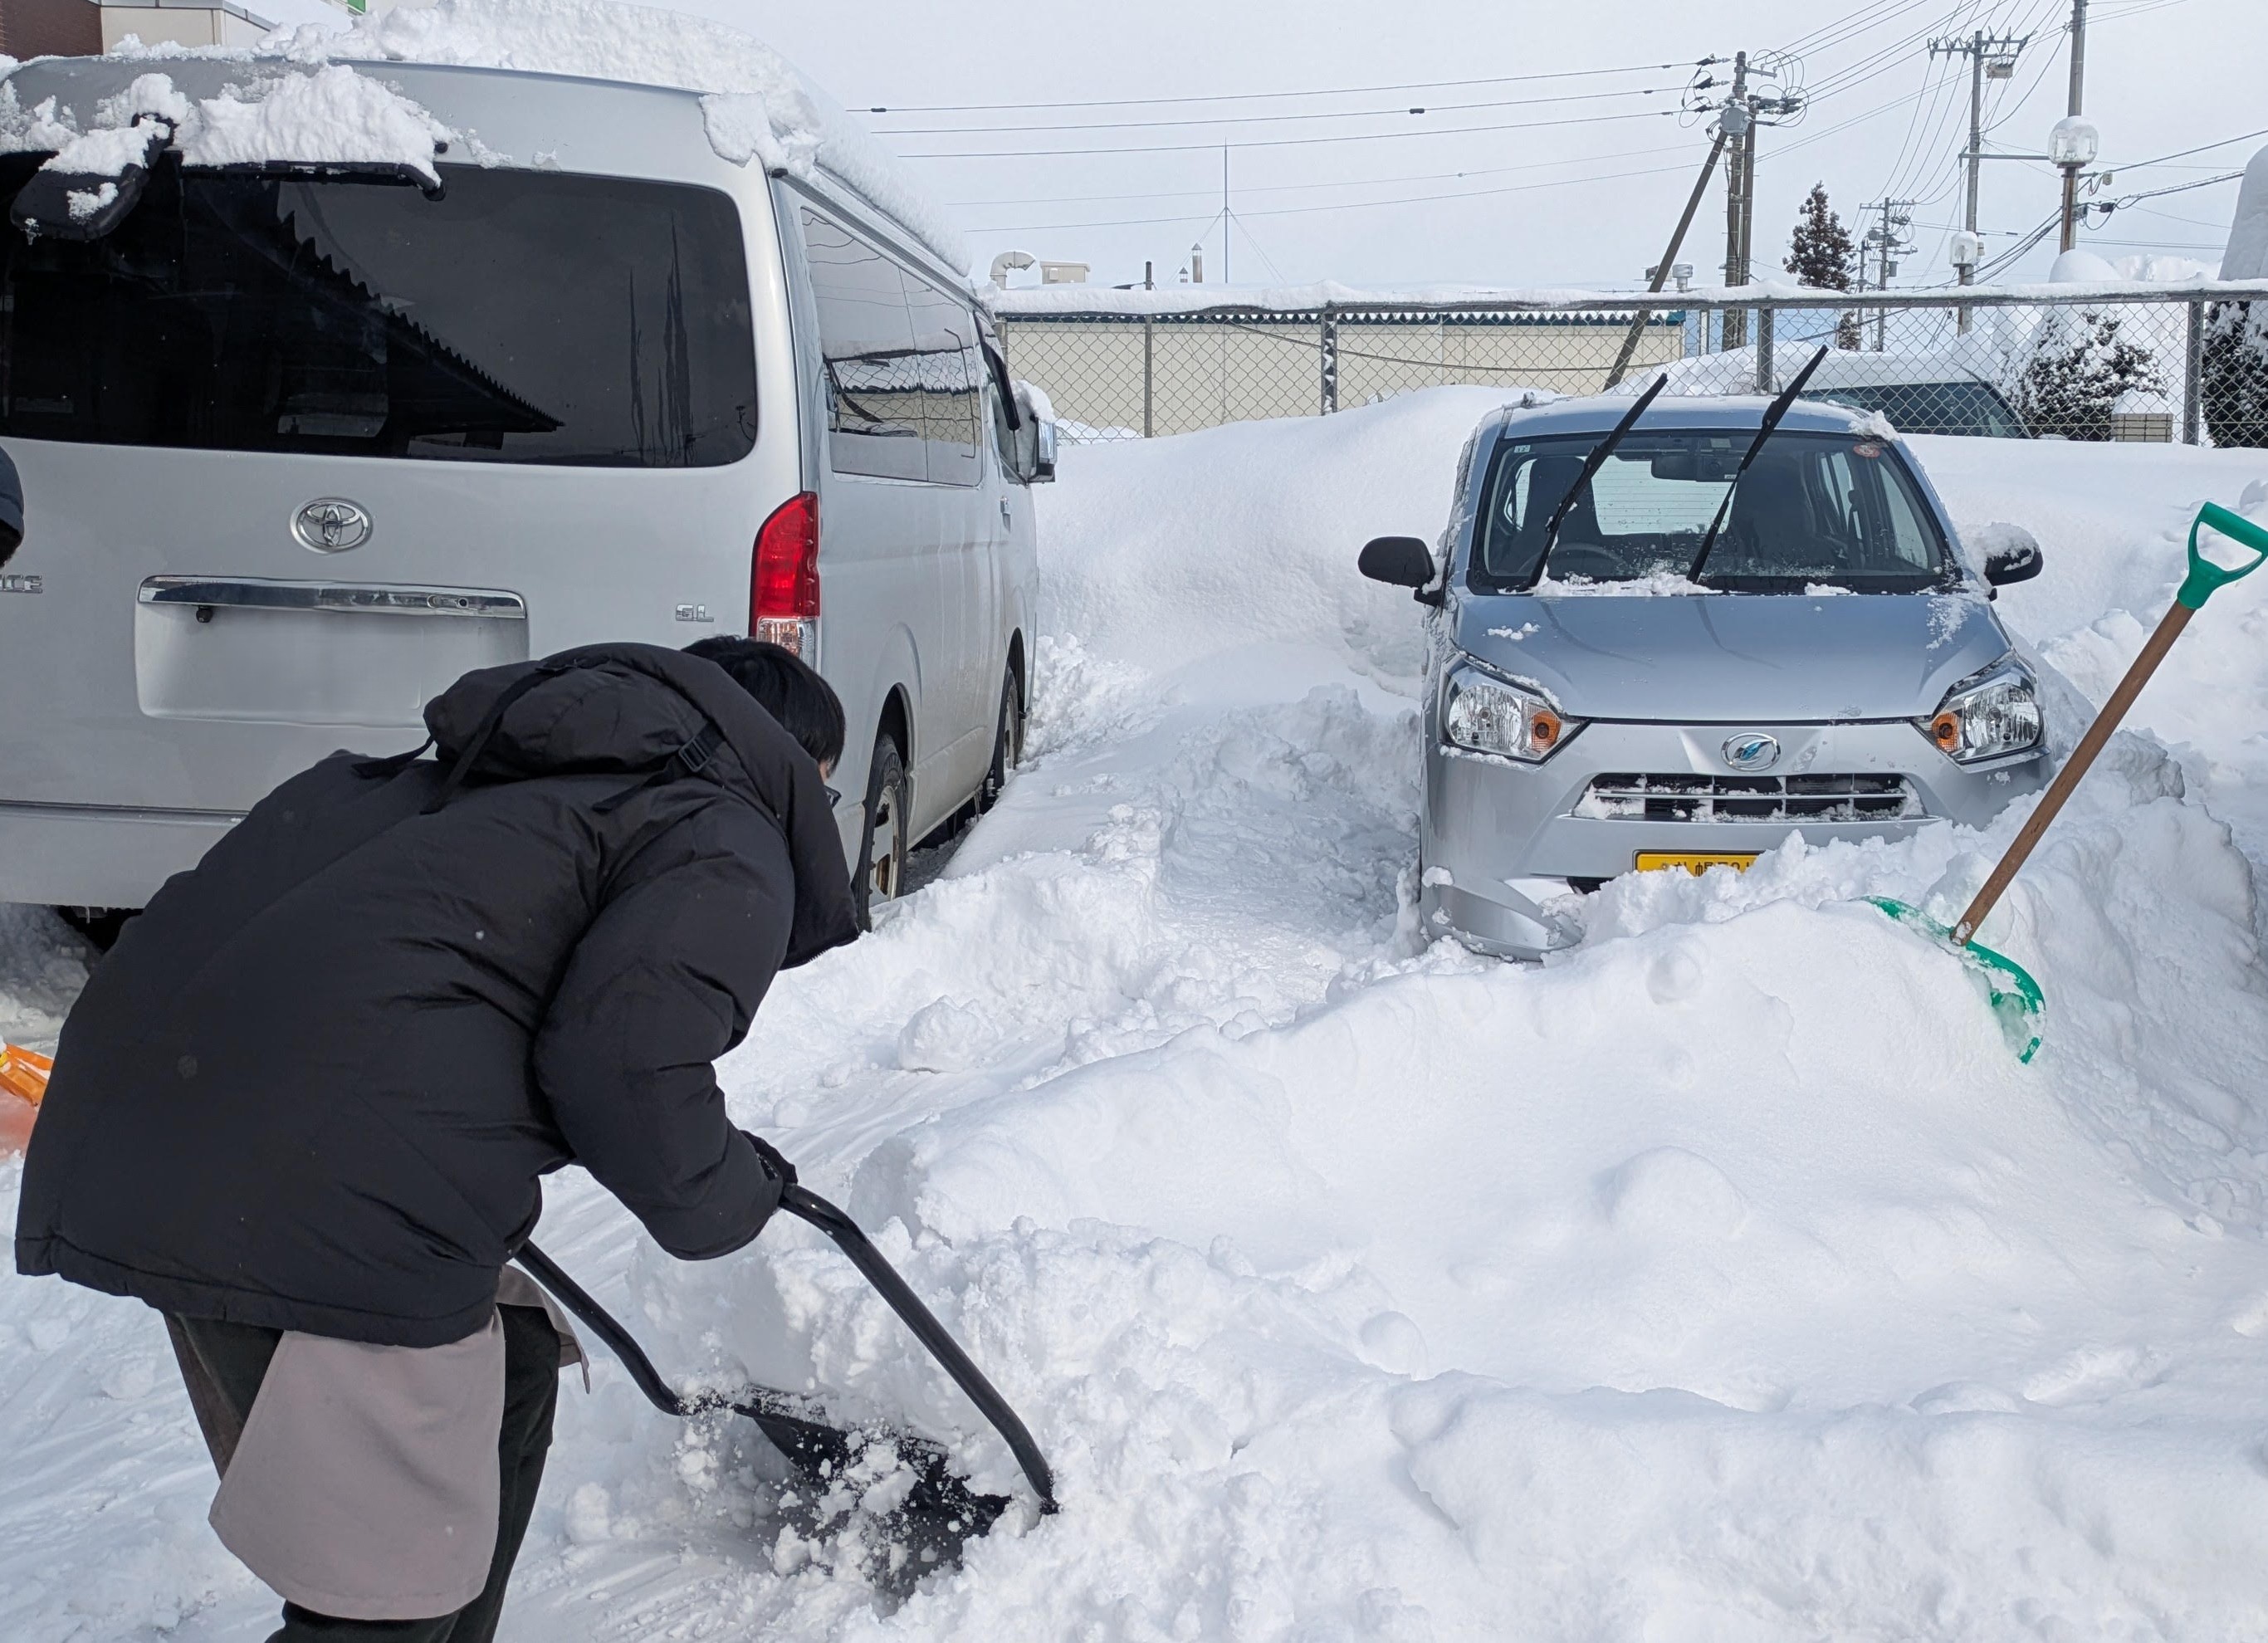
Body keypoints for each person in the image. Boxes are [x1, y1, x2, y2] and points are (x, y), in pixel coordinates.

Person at [13, 636, 859, 1641]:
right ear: (792, 765)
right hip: (314, 1186)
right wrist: (731, 1191)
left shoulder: (493, 776)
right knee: (381, 1609)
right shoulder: (726, 831)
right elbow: (623, 1065)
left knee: (512, 1372)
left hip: (157, 1127)